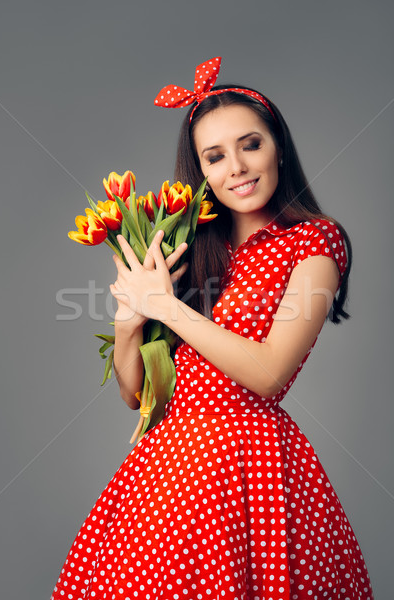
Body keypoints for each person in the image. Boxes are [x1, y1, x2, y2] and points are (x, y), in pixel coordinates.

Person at [51, 57, 374, 600]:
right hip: (164, 475)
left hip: (253, 473)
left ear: (278, 147)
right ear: (199, 170)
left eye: (251, 144)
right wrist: (131, 321)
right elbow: (140, 396)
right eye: (215, 156)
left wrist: (168, 307)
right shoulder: (194, 247)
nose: (237, 168)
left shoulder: (315, 244)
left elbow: (270, 374)